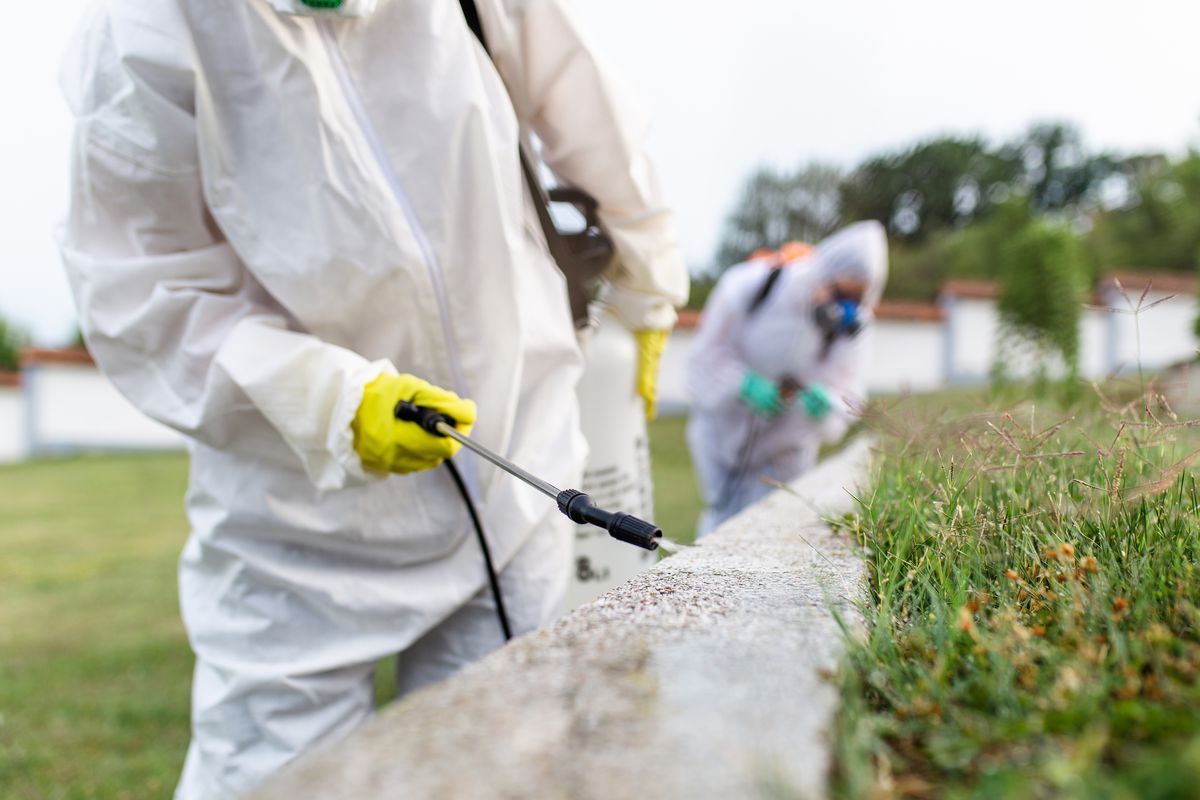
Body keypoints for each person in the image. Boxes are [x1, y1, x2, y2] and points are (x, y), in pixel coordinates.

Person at [57, 1, 687, 797]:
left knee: (498, 771)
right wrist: (325, 398)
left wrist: (650, 279)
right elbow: (144, 291)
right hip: (296, 530)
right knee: (271, 779)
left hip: (511, 478)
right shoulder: (149, 30)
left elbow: (588, 107)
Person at [686, 222, 887, 537]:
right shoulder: (749, 286)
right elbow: (703, 358)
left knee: (771, 533)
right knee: (719, 529)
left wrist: (828, 403)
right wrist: (743, 385)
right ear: (823, 272)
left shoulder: (853, 329)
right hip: (722, 438)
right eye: (838, 292)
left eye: (854, 299)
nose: (841, 307)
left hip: (786, 451)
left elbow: (850, 394)